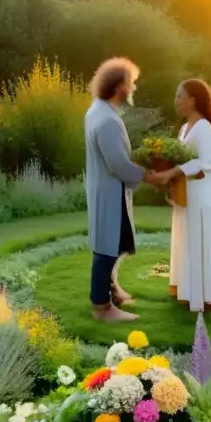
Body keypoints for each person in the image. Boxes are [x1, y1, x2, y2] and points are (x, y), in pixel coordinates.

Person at [84, 57, 160, 323]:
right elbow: (117, 163)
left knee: (117, 243)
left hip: (105, 188)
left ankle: (112, 290)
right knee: (107, 247)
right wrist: (148, 176)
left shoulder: (98, 110)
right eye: (131, 83)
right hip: (109, 190)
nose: (133, 88)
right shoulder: (106, 120)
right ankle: (102, 307)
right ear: (118, 86)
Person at [151, 79, 211, 312]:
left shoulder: (204, 127)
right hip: (186, 192)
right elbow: (182, 160)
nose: (175, 101)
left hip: (202, 192)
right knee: (187, 240)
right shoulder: (184, 129)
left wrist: (174, 171)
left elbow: (208, 162)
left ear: (193, 100)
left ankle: (206, 297)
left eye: (179, 96)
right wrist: (171, 183)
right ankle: (187, 290)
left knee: (200, 239)